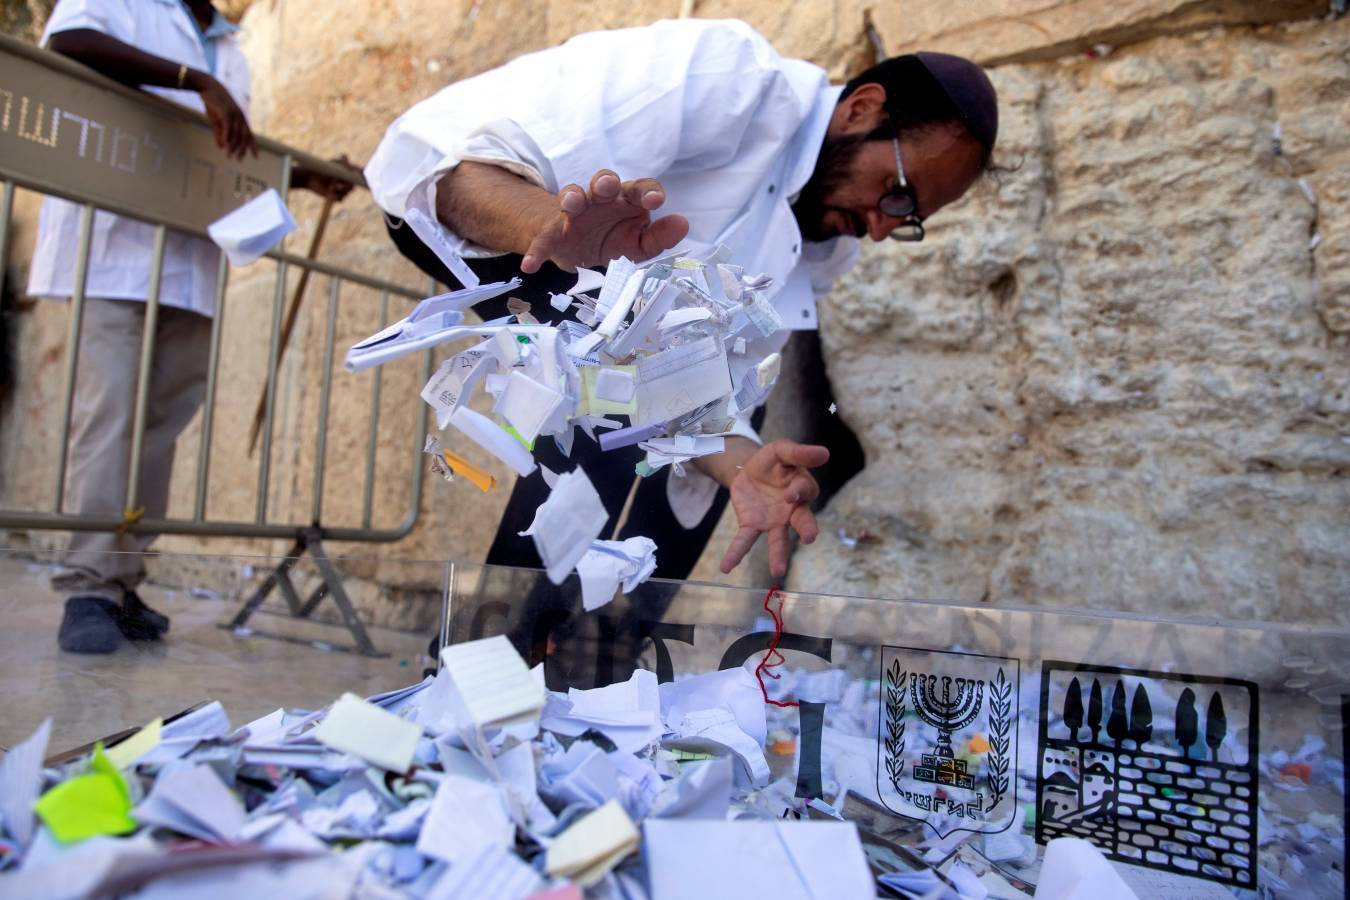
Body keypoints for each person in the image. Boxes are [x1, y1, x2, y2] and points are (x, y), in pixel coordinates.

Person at [366, 18, 998, 595]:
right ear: (862, 109)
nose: (883, 229)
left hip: (608, 296)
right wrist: (562, 233)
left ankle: (607, 682)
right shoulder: (736, 78)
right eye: (896, 194)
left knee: (694, 482)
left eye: (910, 221)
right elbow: (467, 171)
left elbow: (702, 398)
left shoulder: (826, 246)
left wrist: (748, 468)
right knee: (607, 392)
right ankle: (483, 673)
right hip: (454, 186)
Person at [27, 0, 356, 654]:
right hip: (113, 249)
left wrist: (303, 175)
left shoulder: (229, 46)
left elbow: (224, 151)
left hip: (189, 259)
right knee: (111, 416)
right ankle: (86, 583)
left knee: (159, 430)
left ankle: (123, 578)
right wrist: (193, 79)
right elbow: (67, 40)